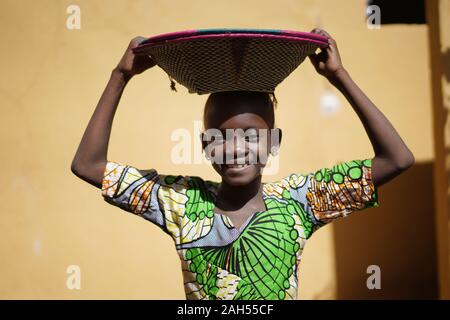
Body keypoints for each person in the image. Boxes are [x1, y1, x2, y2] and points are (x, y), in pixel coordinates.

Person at [71, 28, 415, 300]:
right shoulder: (180, 201)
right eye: (221, 137)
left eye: (251, 136)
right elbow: (88, 164)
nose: (236, 148)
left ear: (274, 143)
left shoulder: (300, 200)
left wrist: (339, 76)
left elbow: (397, 159)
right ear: (206, 146)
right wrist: (120, 75)